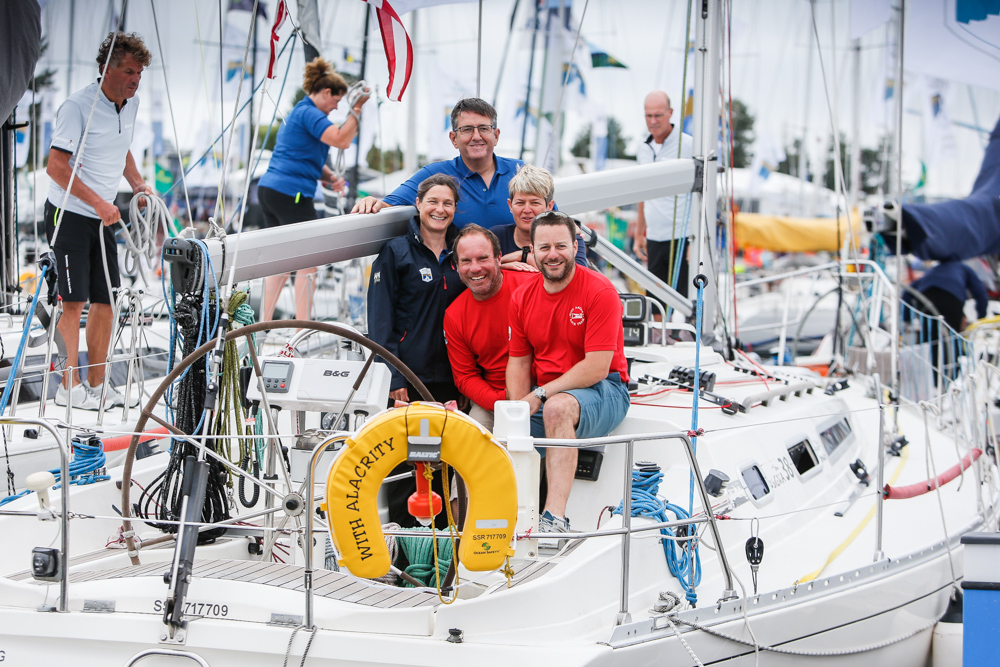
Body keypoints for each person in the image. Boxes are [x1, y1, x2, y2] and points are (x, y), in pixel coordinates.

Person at [45, 31, 153, 410]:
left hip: (101, 216)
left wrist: (137, 183)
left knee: (106, 303)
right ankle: (67, 387)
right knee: (72, 303)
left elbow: (122, 151)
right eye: (128, 71)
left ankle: (96, 385)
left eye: (139, 73)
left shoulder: (132, 104)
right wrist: (99, 203)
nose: (135, 79)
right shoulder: (78, 107)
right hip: (69, 214)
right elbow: (56, 167)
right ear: (107, 69)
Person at [506, 211, 631, 537]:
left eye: (561, 245)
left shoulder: (600, 291)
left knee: (557, 407)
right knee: (492, 428)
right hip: (548, 392)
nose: (553, 254)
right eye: (544, 247)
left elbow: (597, 367)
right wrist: (517, 410)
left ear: (575, 246)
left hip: (605, 389)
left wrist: (540, 394)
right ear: (531, 251)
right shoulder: (522, 297)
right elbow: (519, 361)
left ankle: (554, 521)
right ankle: (503, 521)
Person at [367, 173, 466, 529]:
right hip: (408, 378)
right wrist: (393, 377)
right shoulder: (396, 252)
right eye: (433, 202)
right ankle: (403, 548)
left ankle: (440, 550)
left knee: (445, 467)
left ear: (455, 209)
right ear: (419, 205)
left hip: (452, 380)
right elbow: (380, 321)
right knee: (404, 468)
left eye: (448, 203)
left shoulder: (462, 251)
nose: (440, 210)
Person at [258, 57, 368, 321]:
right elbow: (342, 140)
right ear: (326, 93)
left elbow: (305, 160)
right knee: (308, 262)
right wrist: (357, 109)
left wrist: (330, 177)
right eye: (337, 101)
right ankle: (302, 328)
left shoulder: (300, 112)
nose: (336, 108)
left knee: (280, 263)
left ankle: (264, 324)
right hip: (291, 193)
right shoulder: (311, 113)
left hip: (271, 191)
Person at [352, 98, 526, 230]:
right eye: (467, 130)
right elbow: (388, 204)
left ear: (496, 135)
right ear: (453, 139)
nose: (476, 136)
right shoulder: (435, 174)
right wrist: (370, 201)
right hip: (459, 275)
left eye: (483, 128)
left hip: (518, 274)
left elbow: (549, 222)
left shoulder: (522, 173)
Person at [444, 225, 537, 431]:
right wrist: (501, 400)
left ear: (499, 259)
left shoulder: (532, 287)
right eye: (466, 261)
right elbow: (465, 377)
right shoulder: (454, 315)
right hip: (493, 400)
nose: (475, 268)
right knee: (472, 440)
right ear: (457, 266)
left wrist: (527, 397)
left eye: (483, 258)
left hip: (539, 393)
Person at [635, 91, 694, 300]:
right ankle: (660, 334)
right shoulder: (643, 148)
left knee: (685, 300)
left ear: (670, 113)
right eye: (648, 115)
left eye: (658, 115)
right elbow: (643, 192)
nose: (653, 121)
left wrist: (696, 241)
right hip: (654, 237)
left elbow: (702, 194)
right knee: (655, 301)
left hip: (682, 236)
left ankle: (683, 333)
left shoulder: (688, 146)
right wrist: (639, 232)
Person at [493, 164, 587, 271]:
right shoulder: (496, 237)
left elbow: (578, 276)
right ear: (510, 206)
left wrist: (523, 256)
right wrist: (501, 266)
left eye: (535, 203)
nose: (527, 210)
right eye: (520, 203)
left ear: (549, 206)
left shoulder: (570, 237)